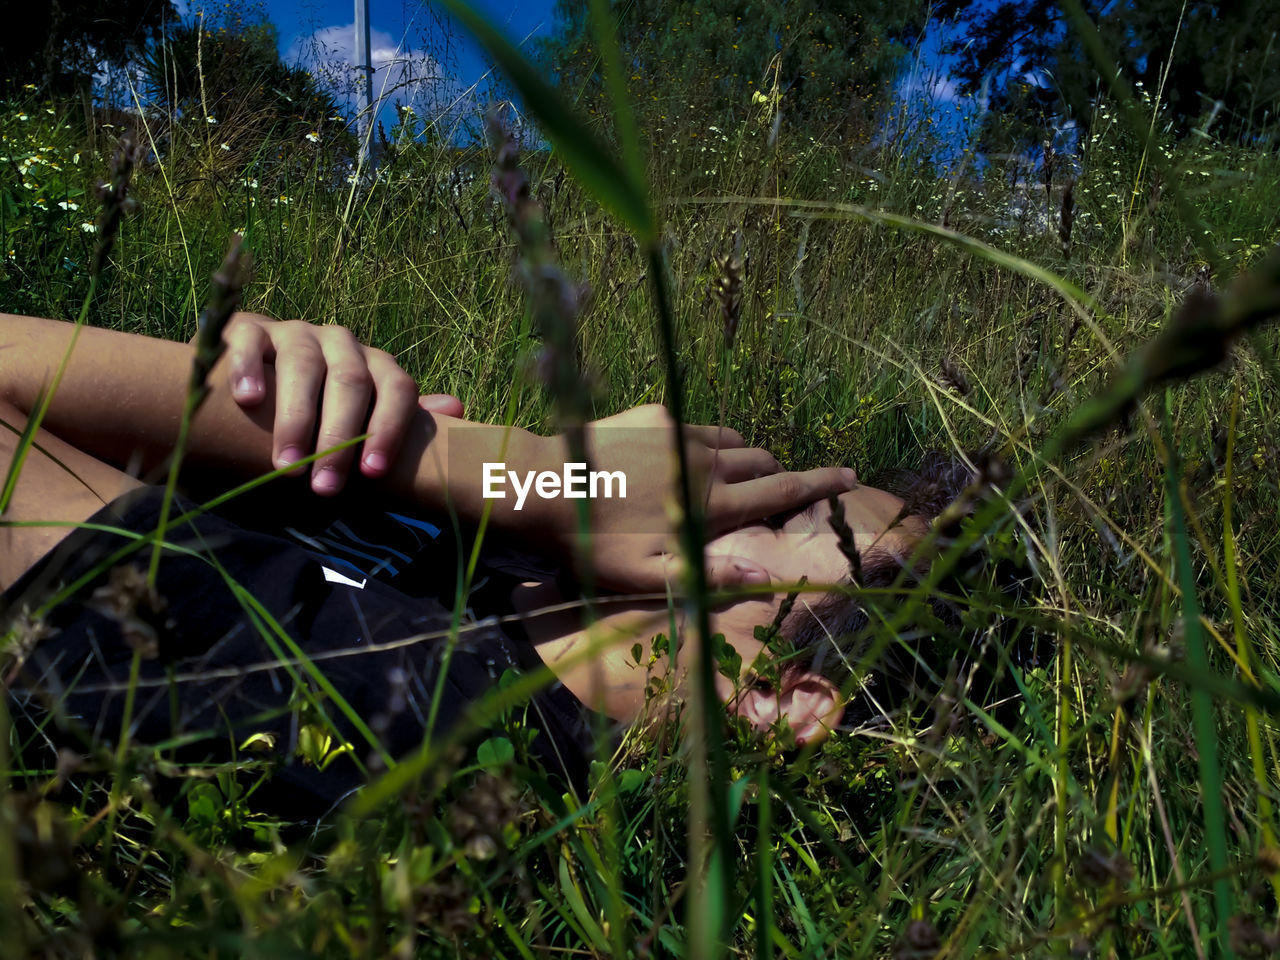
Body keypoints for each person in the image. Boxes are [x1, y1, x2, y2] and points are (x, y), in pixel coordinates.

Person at [0, 312, 943, 821]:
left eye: (789, 517)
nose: (730, 490)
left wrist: (517, 470)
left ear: (784, 697)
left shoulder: (422, 710)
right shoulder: (504, 559)